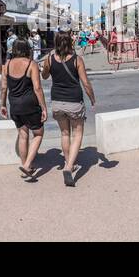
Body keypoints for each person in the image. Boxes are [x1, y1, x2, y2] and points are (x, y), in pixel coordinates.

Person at [41, 31, 98, 187]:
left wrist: (46, 66)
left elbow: (44, 76)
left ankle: (69, 163)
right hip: (74, 101)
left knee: (64, 133)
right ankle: (68, 167)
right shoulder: (77, 60)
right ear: (71, 42)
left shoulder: (50, 59)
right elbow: (85, 83)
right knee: (77, 133)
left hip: (57, 101)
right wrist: (92, 98)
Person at [0, 40, 47, 181]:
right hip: (30, 104)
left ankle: (25, 164)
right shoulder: (31, 64)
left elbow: (3, 88)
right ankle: (27, 166)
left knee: (23, 134)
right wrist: (43, 107)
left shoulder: (6, 65)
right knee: (38, 134)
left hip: (14, 104)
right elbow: (37, 88)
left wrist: (3, 105)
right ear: (27, 49)